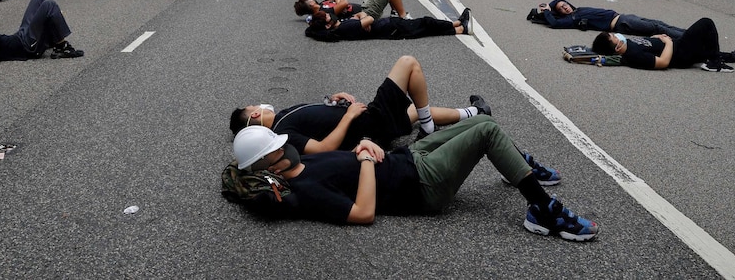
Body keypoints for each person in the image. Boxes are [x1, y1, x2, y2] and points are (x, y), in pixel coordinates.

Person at [229, 121, 598, 240]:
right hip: (423, 185)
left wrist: (366, 145)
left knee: (480, 122)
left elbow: (349, 158)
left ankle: (517, 165)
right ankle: (542, 210)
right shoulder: (305, 192)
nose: (286, 146)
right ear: (270, 168)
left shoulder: (303, 162)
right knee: (485, 132)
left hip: (407, 159)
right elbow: (362, 213)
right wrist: (367, 162)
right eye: (279, 148)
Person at [229, 56, 496, 149]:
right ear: (254, 119)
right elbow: (322, 148)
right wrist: (348, 116)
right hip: (368, 125)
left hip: (367, 122)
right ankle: (428, 130)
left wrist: (331, 99)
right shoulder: (281, 134)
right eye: (256, 108)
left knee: (413, 111)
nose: (261, 106)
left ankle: (475, 112)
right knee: (408, 64)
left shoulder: (284, 117)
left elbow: (316, 117)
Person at [592, 18, 735, 73]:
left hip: (678, 47)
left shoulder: (629, 45)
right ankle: (715, 64)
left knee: (706, 48)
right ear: (617, 48)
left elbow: (648, 44)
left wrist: (656, 37)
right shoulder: (633, 56)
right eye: (614, 37)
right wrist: (668, 43)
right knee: (706, 24)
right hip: (679, 54)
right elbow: (663, 62)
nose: (617, 35)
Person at [535, 0, 685, 38]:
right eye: (561, 8)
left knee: (659, 23)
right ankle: (689, 37)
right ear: (560, 12)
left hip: (623, 16)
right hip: (621, 23)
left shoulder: (577, 10)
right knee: (656, 29)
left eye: (565, 4)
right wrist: (548, 11)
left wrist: (551, 3)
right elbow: (554, 23)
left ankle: (687, 32)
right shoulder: (571, 20)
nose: (565, 7)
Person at [305, 8, 473, 42]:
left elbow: (361, 16)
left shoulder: (340, 26)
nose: (329, 15)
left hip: (390, 27)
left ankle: (458, 26)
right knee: (425, 23)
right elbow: (368, 19)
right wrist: (363, 17)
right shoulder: (343, 28)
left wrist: (361, 16)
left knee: (424, 29)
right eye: (327, 17)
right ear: (327, 26)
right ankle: (458, 26)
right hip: (391, 28)